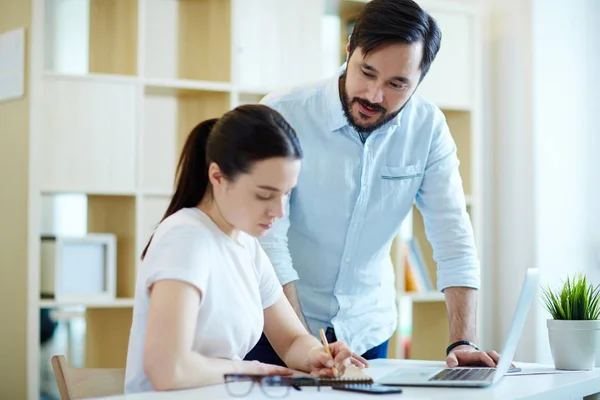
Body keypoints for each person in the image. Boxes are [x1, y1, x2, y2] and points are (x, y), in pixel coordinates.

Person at [245, 0, 502, 369]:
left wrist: (462, 340)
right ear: (349, 48)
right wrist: (302, 346)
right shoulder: (284, 113)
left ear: (419, 80)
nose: (373, 95)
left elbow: (453, 236)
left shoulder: (428, 129)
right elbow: (268, 241)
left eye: (397, 84)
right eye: (366, 72)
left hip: (367, 331)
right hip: (277, 327)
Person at [123, 105, 365, 394]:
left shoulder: (246, 244)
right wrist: (248, 369)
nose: (278, 211)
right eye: (264, 195)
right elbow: (167, 369)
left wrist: (317, 355)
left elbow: (290, 341)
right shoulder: (185, 238)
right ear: (218, 177)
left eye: (286, 194)